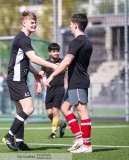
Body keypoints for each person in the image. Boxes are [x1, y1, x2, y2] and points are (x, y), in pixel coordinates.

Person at [2, 11, 58, 151]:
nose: (34, 24)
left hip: (15, 78)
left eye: (35, 22)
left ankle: (20, 142)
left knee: (20, 111)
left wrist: (35, 73)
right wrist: (53, 65)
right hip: (16, 79)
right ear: (24, 23)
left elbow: (25, 61)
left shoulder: (23, 38)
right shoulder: (23, 39)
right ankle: (9, 136)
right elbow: (33, 58)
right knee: (29, 108)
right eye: (31, 22)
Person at [45, 13, 93, 153]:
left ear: (76, 25)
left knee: (81, 111)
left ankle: (87, 145)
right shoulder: (86, 41)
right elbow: (73, 63)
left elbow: (66, 60)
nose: (70, 26)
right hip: (74, 82)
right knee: (65, 108)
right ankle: (79, 139)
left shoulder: (77, 41)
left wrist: (51, 76)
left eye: (71, 24)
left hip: (78, 82)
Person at [37, 42, 67, 139]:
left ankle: (53, 133)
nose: (56, 53)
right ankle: (62, 124)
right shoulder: (46, 63)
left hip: (60, 89)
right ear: (49, 53)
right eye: (54, 51)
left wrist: (63, 67)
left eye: (57, 51)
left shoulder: (63, 62)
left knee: (55, 111)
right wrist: (39, 86)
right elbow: (40, 75)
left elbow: (67, 68)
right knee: (49, 113)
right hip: (49, 91)